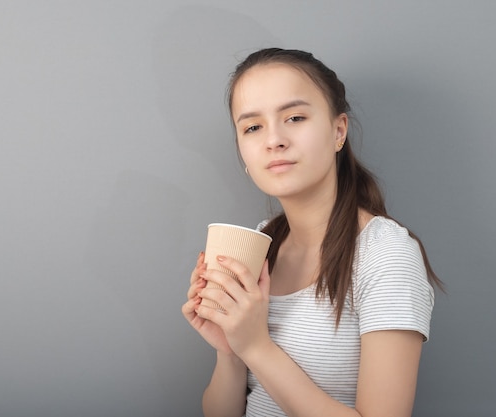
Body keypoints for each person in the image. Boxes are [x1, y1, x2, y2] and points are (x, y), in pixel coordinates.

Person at [182, 47, 443, 417]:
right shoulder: (261, 243)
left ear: (338, 131)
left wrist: (256, 346)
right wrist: (230, 348)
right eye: (253, 127)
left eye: (295, 117)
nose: (274, 140)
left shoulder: (385, 252)